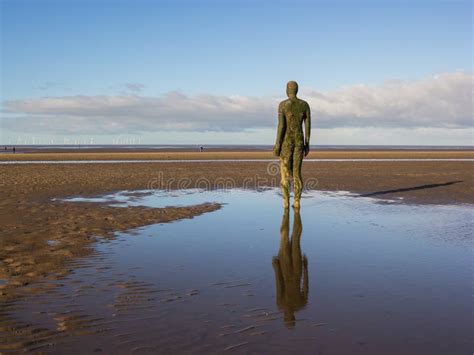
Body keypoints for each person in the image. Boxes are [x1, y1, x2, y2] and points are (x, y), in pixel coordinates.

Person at [273, 81, 311, 209]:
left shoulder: (283, 105)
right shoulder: (304, 105)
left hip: (286, 143)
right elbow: (307, 126)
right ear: (297, 90)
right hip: (299, 141)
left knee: (284, 175)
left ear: (286, 90)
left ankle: (285, 203)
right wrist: (307, 143)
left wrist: (277, 145)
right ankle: (297, 201)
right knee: (297, 173)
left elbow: (281, 126)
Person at [272, 207, 308, 328]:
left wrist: (276, 267)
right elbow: (305, 286)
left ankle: (288, 213)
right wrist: (305, 267)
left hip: (288, 268)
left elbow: (279, 283)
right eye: (288, 318)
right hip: (293, 269)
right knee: (291, 238)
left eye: (286, 318)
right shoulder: (295, 304)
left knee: (290, 238)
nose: (287, 316)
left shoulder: (287, 304)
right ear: (292, 318)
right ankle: (292, 213)